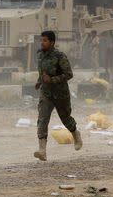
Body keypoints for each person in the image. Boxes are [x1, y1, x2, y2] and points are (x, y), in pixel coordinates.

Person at [34, 31, 82, 161]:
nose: (42, 43)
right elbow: (42, 72)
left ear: (52, 42)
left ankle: (76, 135)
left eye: (45, 40)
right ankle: (42, 150)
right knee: (42, 119)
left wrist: (52, 80)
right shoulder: (39, 55)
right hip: (46, 93)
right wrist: (40, 81)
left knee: (65, 118)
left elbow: (69, 74)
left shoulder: (60, 56)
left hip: (60, 94)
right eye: (41, 40)